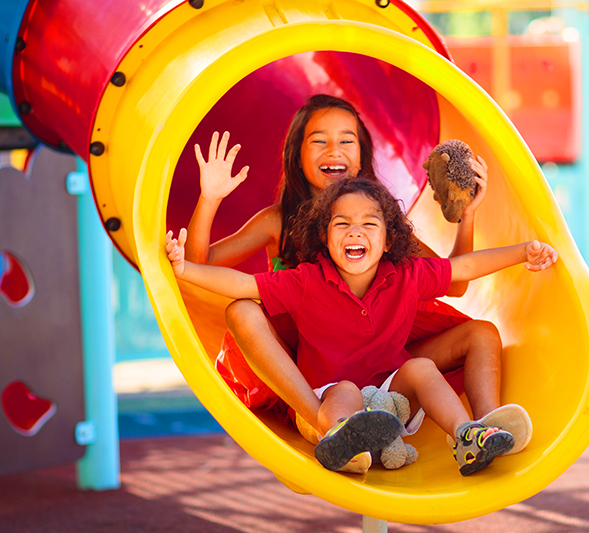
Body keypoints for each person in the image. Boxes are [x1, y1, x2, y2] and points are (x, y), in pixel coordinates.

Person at [182, 94, 531, 462]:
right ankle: (320, 419)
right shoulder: (279, 221)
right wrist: (209, 198)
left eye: (347, 141)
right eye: (319, 141)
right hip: (316, 364)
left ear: (362, 156)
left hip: (380, 352)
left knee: (480, 333)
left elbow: (456, 279)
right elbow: (200, 263)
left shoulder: (377, 222)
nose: (334, 150)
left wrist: (468, 217)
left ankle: (484, 427)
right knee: (243, 310)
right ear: (296, 156)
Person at [166, 177, 559, 475]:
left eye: (370, 224)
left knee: (420, 368)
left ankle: (468, 434)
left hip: (391, 396)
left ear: (389, 240)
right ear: (324, 236)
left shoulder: (406, 274)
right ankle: (341, 439)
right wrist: (184, 269)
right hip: (327, 398)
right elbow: (242, 285)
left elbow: (465, 268)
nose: (355, 231)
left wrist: (523, 251)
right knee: (346, 389)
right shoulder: (306, 280)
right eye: (343, 224)